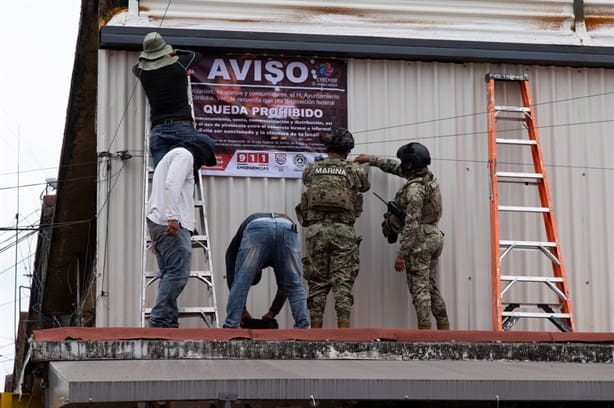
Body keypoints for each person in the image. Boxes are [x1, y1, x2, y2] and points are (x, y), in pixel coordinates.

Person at [354, 143, 450, 330]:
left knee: (419, 288)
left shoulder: (414, 190)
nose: (402, 165)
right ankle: (444, 327)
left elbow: (412, 224)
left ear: (411, 164)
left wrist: (402, 255)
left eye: (405, 162)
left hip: (420, 239)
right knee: (430, 286)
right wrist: (371, 159)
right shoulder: (428, 178)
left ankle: (425, 334)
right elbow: (394, 167)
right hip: (434, 235)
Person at [295, 128, 370, 328]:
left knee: (316, 282)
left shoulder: (311, 169)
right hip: (343, 231)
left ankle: (316, 332)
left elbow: (306, 182)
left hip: (315, 231)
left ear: (327, 147)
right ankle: (343, 332)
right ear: (348, 149)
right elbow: (365, 187)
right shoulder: (354, 170)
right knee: (342, 282)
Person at [146, 134, 216, 328]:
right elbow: (171, 185)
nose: (202, 163)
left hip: (158, 220)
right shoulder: (184, 155)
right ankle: (160, 319)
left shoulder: (173, 155)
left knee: (169, 273)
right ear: (201, 150)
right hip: (168, 222)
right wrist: (173, 217)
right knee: (178, 273)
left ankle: (168, 320)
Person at [133, 31, 215, 168]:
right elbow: (196, 55)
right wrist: (175, 53)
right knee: (184, 175)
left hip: (158, 131)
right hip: (182, 127)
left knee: (162, 177)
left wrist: (148, 60)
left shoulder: (141, 71)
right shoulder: (180, 64)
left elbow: (136, 66)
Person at [223, 213, 310, 329]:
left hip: (258, 226)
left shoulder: (239, 250)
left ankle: (231, 325)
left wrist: (242, 310)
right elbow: (285, 286)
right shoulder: (275, 259)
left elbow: (236, 280)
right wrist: (272, 313)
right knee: (294, 284)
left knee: (241, 281)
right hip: (286, 226)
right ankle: (302, 327)